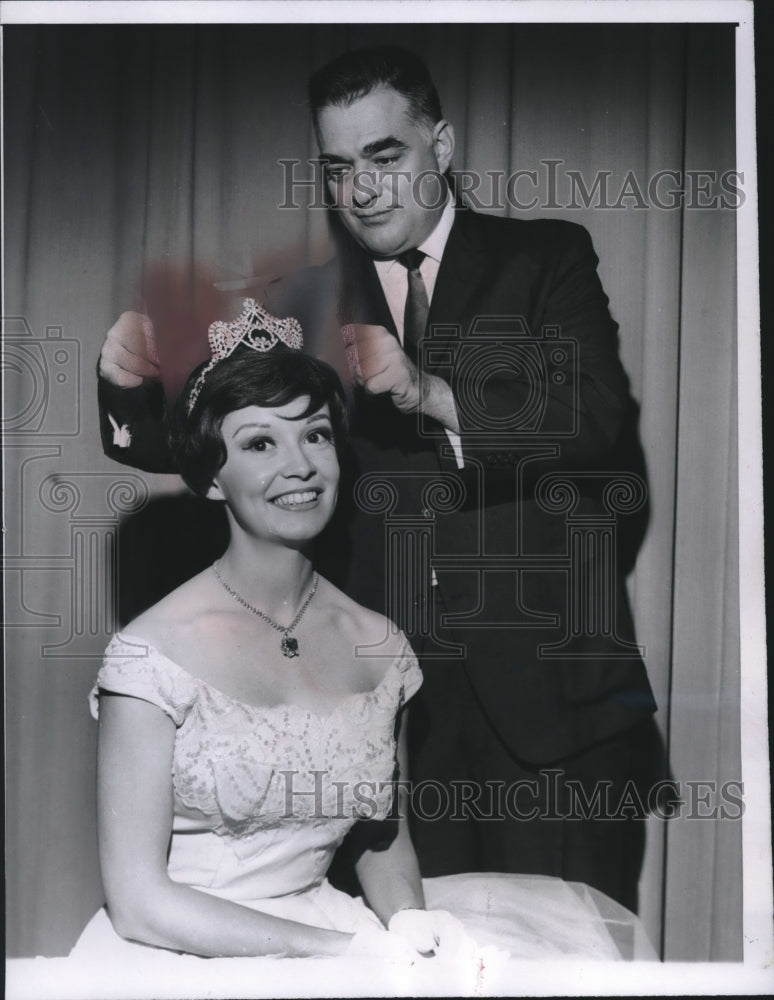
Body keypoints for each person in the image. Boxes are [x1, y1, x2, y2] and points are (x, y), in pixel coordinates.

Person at [96, 46, 657, 911]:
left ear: (442, 142)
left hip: (557, 723)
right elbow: (212, 445)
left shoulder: (546, 259)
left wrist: (429, 393)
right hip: (391, 735)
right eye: (339, 167)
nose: (362, 190)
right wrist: (126, 389)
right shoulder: (299, 303)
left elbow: (597, 414)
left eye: (386, 157)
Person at [74, 309, 653, 969]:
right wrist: (343, 952)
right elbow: (140, 901)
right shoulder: (151, 655)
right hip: (182, 953)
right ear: (211, 477)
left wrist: (411, 930)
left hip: (338, 930)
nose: (300, 466)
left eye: (315, 436)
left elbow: (383, 839)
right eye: (261, 444)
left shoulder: (380, 646)